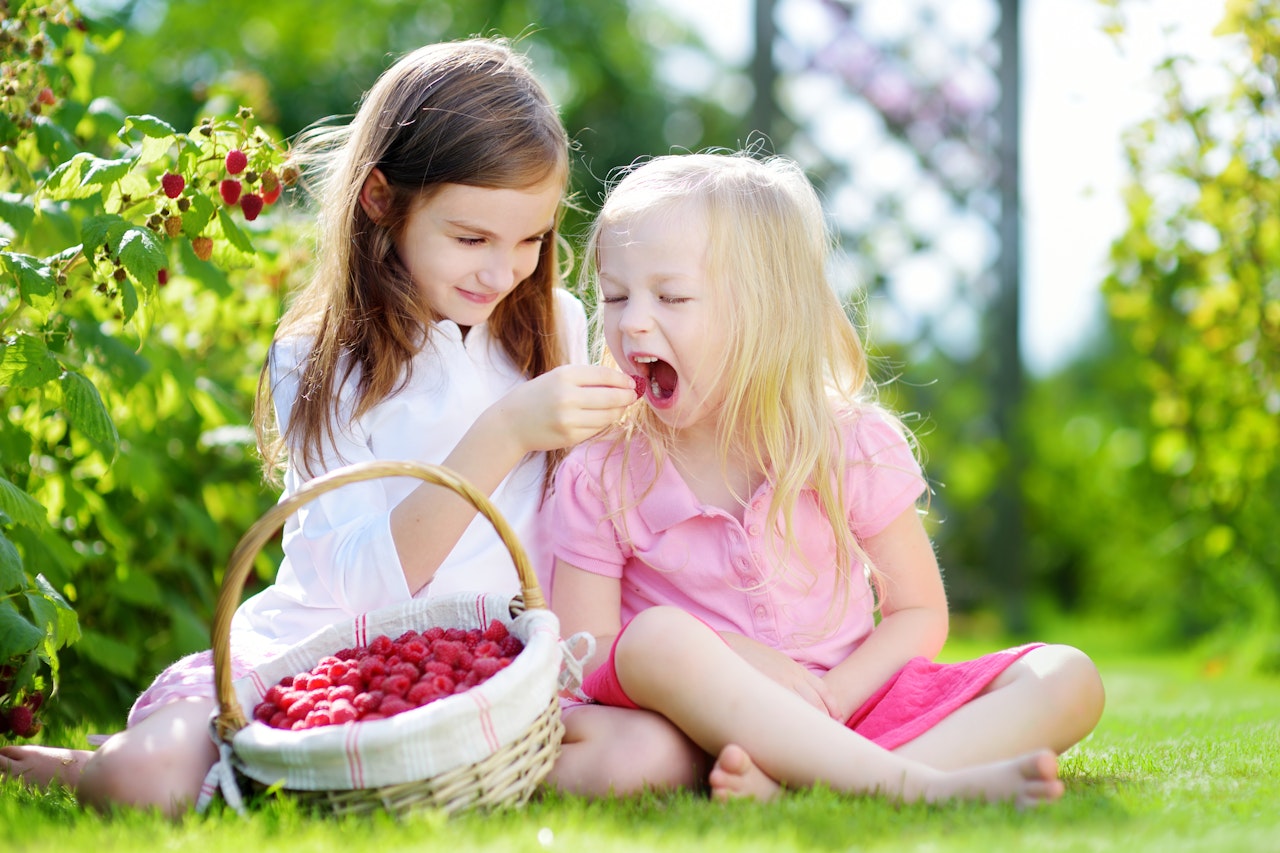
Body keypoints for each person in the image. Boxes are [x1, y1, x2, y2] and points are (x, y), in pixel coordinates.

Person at [1, 37, 702, 815]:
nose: (503, 272)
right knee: (143, 779)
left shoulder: (556, 324)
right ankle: (90, 766)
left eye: (531, 241)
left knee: (654, 754)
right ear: (379, 200)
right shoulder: (322, 355)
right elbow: (364, 584)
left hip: (484, 671)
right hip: (330, 655)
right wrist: (505, 431)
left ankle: (349, 786)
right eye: (471, 238)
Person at [548, 150, 1106, 806]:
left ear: (764, 310)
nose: (632, 320)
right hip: (697, 724)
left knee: (1068, 674)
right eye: (616, 296)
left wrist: (834, 698)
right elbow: (587, 652)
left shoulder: (847, 443)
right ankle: (911, 786)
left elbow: (919, 610)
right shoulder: (601, 471)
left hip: (854, 707)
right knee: (655, 642)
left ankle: (833, 782)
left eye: (671, 296)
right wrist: (733, 656)